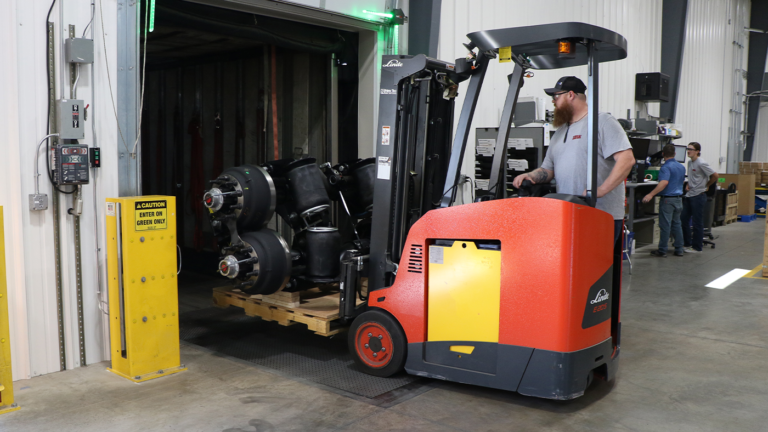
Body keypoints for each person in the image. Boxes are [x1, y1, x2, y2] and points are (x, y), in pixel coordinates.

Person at [511, 76, 635, 245]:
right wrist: (531, 175)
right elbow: (548, 170)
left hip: (600, 214)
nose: (553, 102)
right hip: (568, 214)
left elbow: (627, 159)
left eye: (556, 96)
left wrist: (601, 190)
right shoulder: (560, 131)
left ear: (570, 95)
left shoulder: (602, 122)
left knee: (593, 268)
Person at [641, 144, 686, 257]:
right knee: (677, 224)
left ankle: (662, 250)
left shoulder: (666, 167)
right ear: (675, 154)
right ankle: (679, 249)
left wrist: (650, 194)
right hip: (678, 200)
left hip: (668, 201)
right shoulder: (681, 167)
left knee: (665, 225)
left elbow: (664, 182)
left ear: (663, 154)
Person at [681, 142, 718, 253]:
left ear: (697, 151)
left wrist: (707, 185)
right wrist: (688, 184)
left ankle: (697, 247)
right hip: (689, 194)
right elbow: (693, 176)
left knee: (697, 222)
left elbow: (715, 175)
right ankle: (687, 243)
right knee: (683, 219)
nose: (688, 151)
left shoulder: (701, 163)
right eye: (688, 149)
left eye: (691, 149)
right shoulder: (690, 162)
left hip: (698, 196)